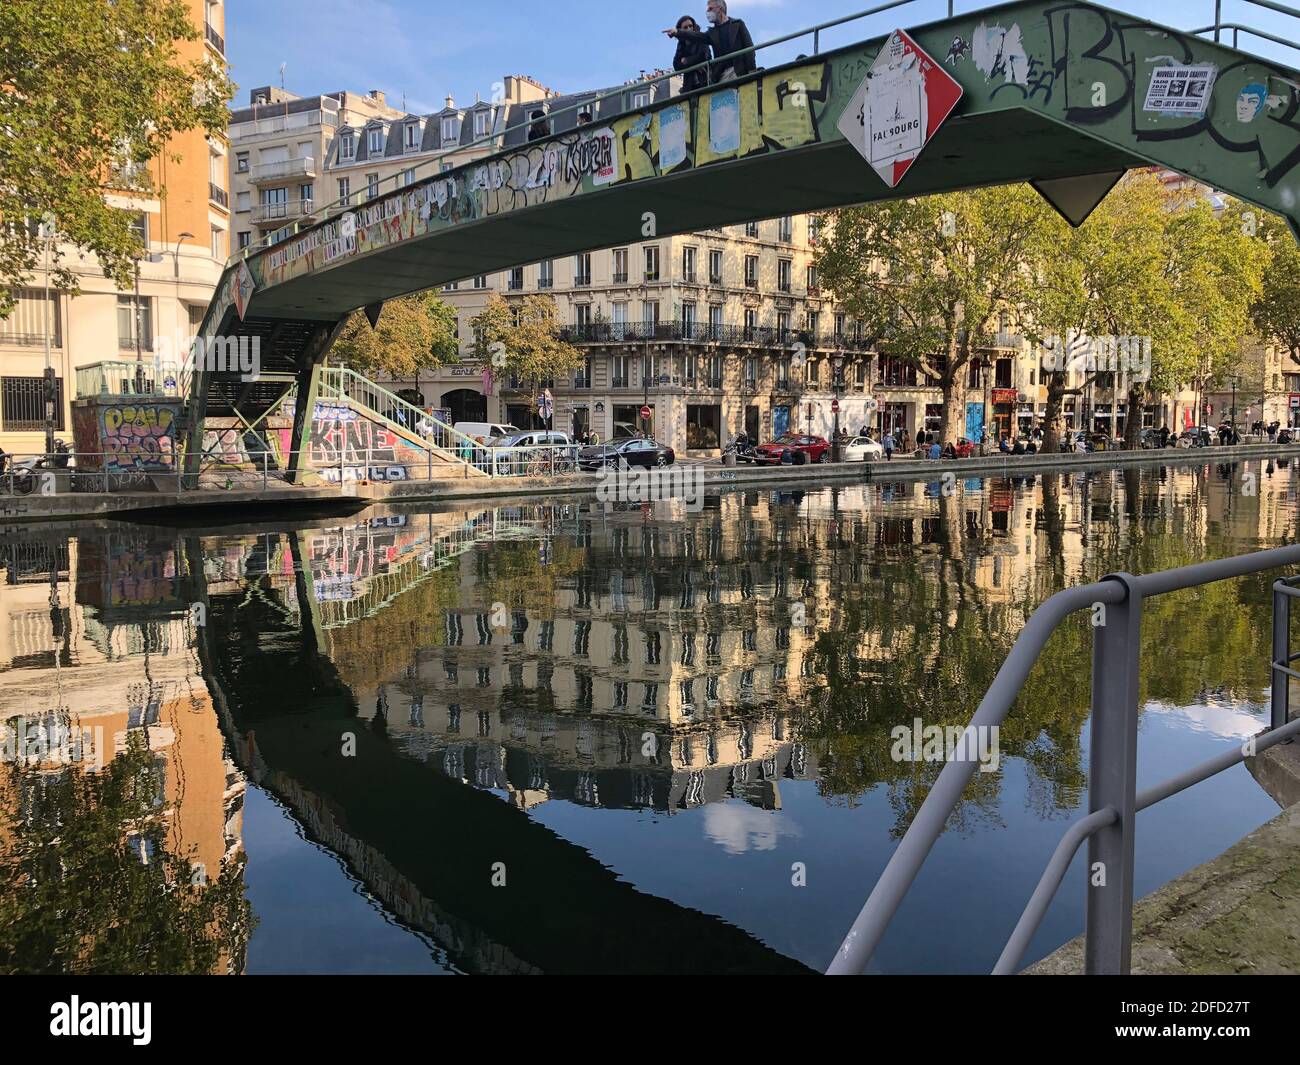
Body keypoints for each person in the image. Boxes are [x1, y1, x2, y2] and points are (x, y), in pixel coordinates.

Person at [664, 0, 755, 84]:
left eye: (710, 9)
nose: (708, 12)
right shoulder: (712, 33)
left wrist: (752, 71)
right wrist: (677, 32)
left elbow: (749, 48)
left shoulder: (738, 24)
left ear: (720, 8)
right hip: (721, 76)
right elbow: (696, 35)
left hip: (739, 71)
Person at [669, 15, 711, 92]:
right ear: (680, 30)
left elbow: (704, 56)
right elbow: (676, 65)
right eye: (685, 27)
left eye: (690, 26)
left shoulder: (700, 37)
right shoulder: (681, 44)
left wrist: (687, 60)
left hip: (705, 82)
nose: (688, 29)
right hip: (689, 86)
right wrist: (695, 64)